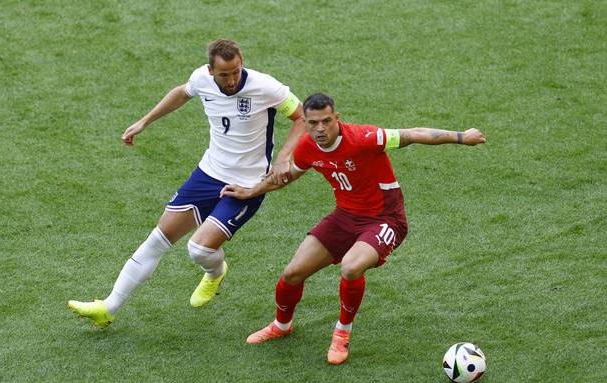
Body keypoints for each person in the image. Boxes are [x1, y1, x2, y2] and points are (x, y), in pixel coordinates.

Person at [221, 92, 486, 364]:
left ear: (337, 118)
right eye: (313, 123)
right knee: (292, 273)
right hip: (345, 217)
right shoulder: (306, 147)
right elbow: (286, 177)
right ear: (306, 123)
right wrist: (250, 192)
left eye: (326, 121)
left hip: (385, 218)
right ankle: (281, 325)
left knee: (350, 266)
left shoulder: (364, 138)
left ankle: (341, 334)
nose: (320, 129)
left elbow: (413, 134)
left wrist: (461, 137)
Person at [68, 39, 306, 328]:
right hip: (208, 173)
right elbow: (182, 93)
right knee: (158, 238)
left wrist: (282, 157)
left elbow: (301, 115)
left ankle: (215, 271)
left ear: (242, 61)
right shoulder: (201, 79)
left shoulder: (265, 86)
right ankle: (109, 307)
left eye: (235, 71)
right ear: (210, 70)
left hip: (248, 183)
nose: (231, 80)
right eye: (223, 75)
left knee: (199, 250)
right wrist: (144, 122)